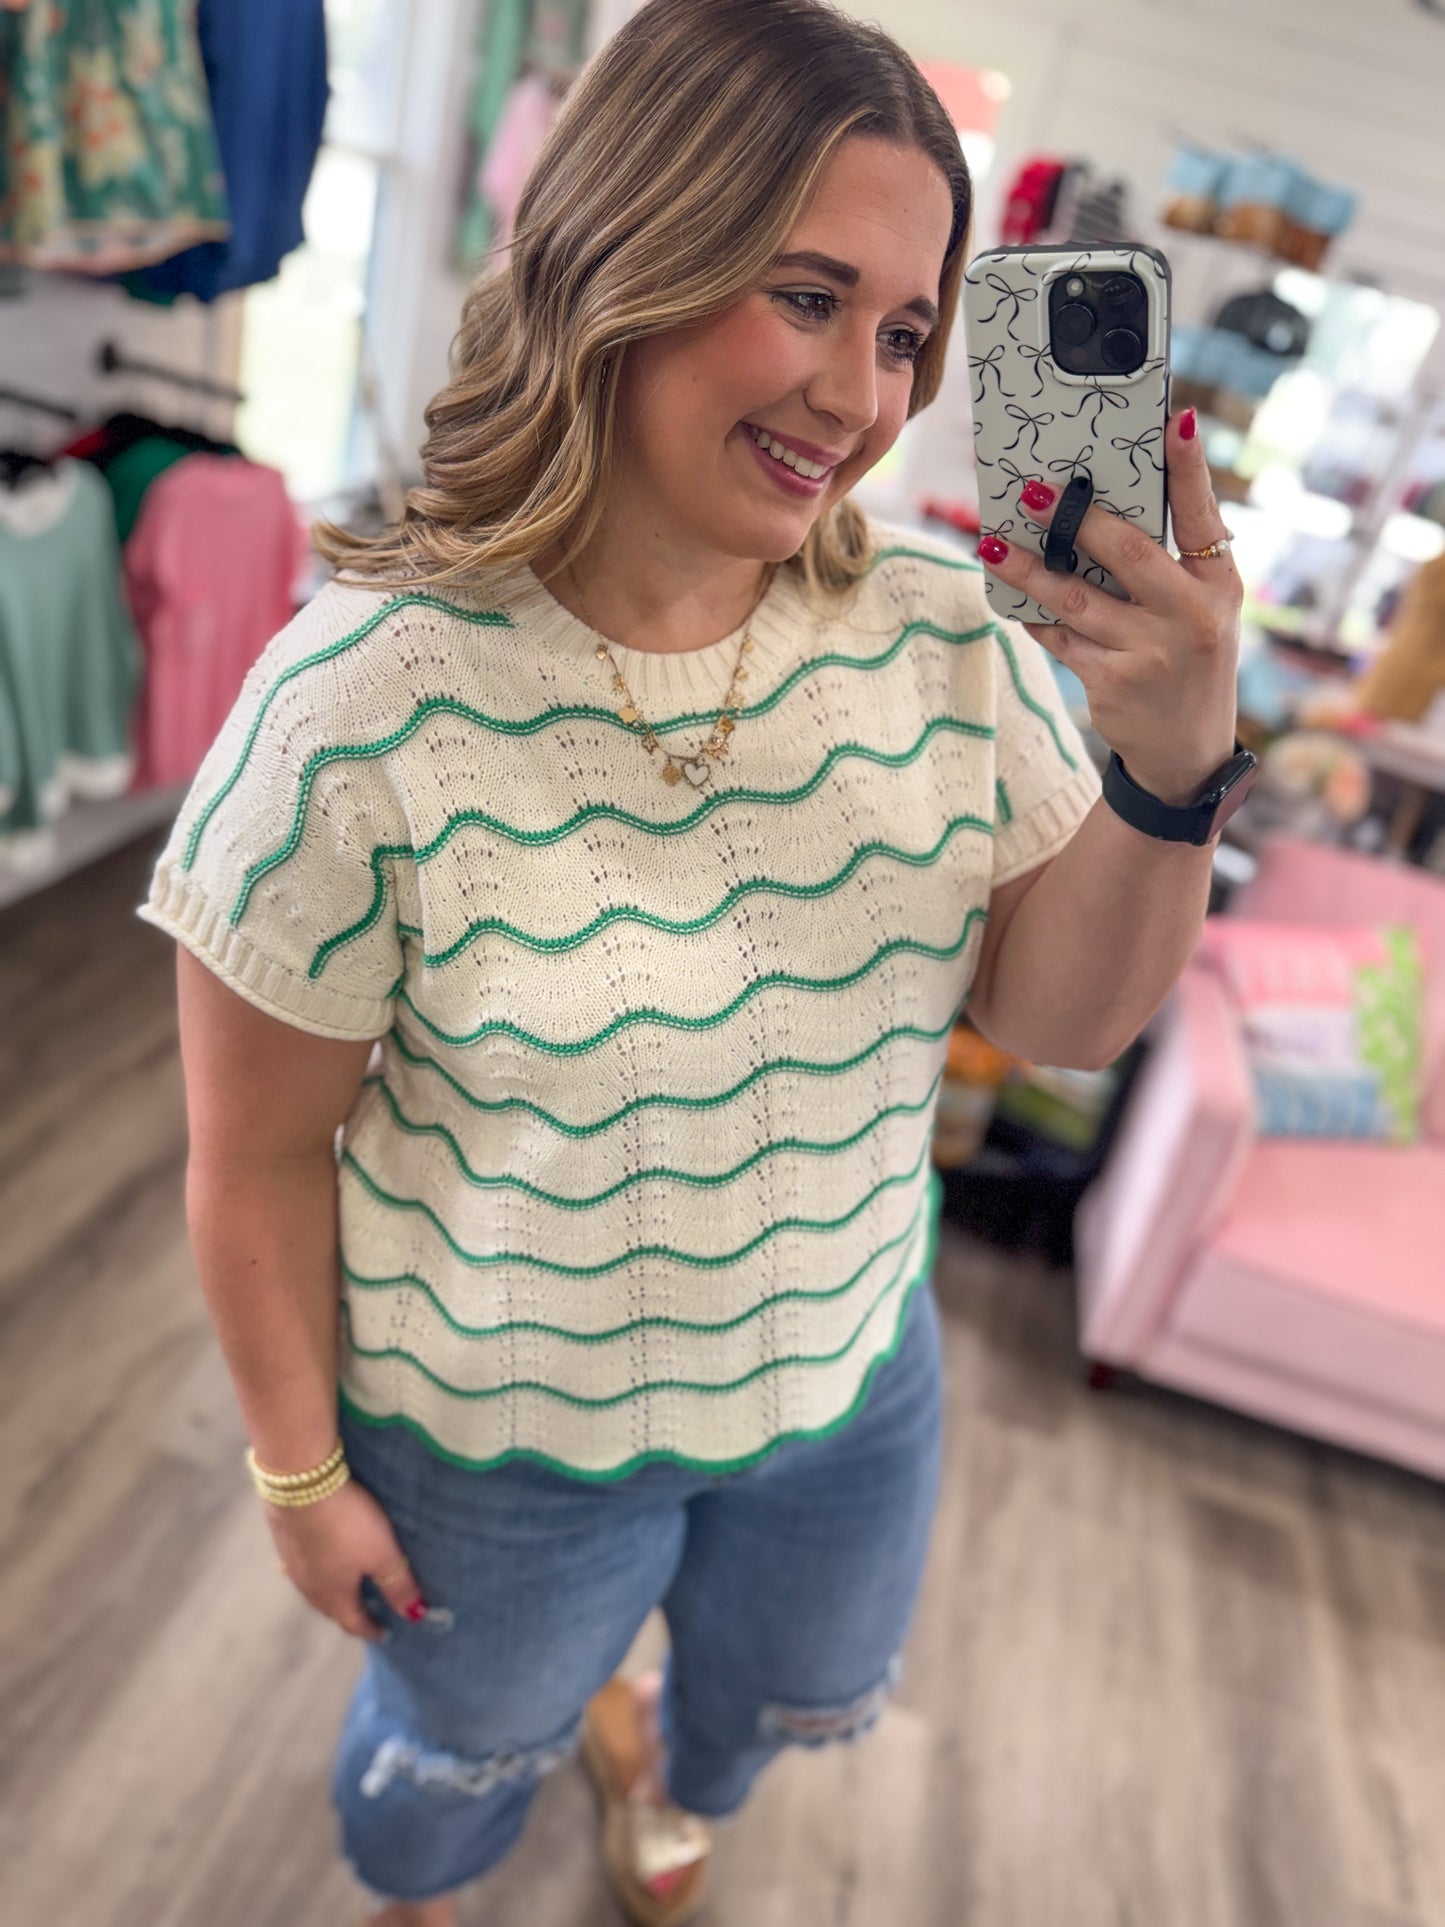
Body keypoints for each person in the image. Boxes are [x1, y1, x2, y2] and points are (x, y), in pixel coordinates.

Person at [136, 2, 1244, 1921]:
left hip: (839, 1379)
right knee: (442, 1774)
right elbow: (255, 1156)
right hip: (498, 1443)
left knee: (769, 1702)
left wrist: (1172, 765)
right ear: (625, 250)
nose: (860, 393)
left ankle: (653, 1754)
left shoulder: (935, 633)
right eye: (804, 295)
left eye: (903, 330)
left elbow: (1056, 1016)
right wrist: (301, 1474)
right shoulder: (357, 709)